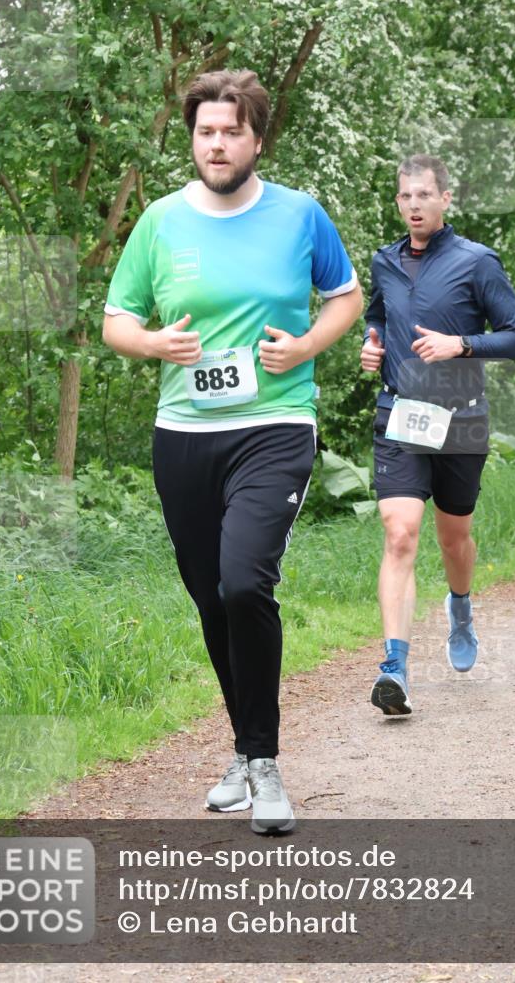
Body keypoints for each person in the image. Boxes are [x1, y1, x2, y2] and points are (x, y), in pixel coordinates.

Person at [103, 69, 363, 831]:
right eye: (204, 132)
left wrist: (309, 343)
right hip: (184, 434)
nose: (215, 144)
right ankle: (247, 753)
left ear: (257, 139)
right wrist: (153, 343)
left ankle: (267, 765)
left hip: (274, 423)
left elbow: (344, 295)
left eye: (230, 132)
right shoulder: (159, 221)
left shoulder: (298, 215)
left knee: (245, 582)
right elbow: (118, 320)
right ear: (194, 138)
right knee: (212, 596)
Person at [360, 153, 515, 717]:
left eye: (424, 196)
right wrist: (372, 340)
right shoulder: (384, 261)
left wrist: (462, 345)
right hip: (400, 413)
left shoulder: (477, 262)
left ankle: (460, 607)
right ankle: (394, 668)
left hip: (460, 417)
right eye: (405, 197)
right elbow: (381, 313)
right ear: (398, 202)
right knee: (400, 533)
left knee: (453, 537)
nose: (414, 205)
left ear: (444, 200)